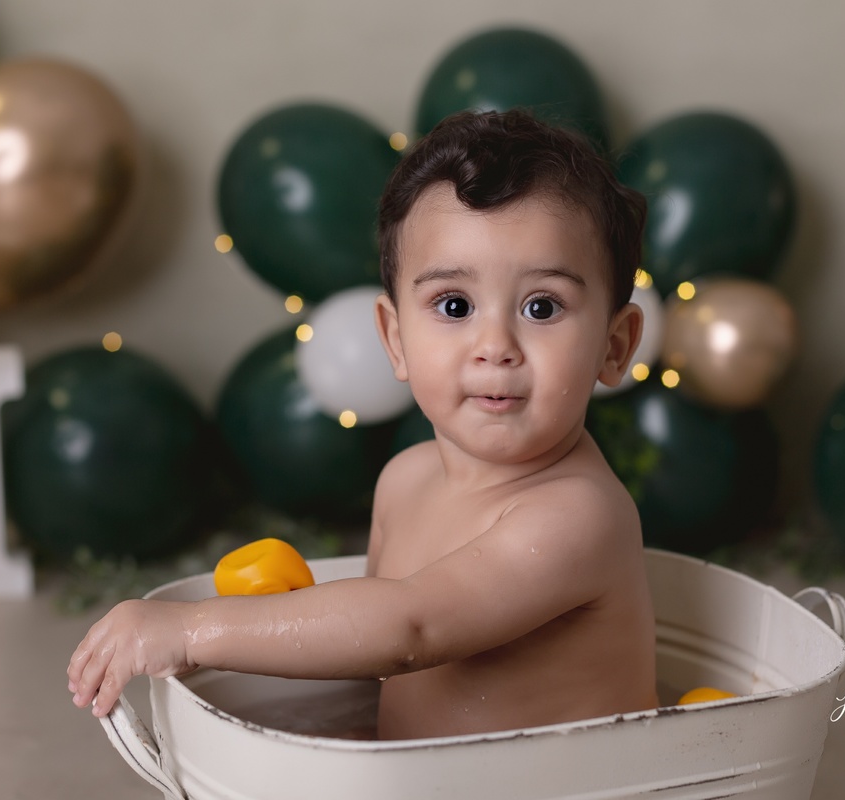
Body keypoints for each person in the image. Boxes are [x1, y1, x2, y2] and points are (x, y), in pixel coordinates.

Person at [68, 109, 658, 740]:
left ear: (614, 347)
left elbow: (411, 629)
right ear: (394, 339)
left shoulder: (576, 516)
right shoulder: (405, 481)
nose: (495, 345)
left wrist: (191, 631)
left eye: (542, 307)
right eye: (454, 305)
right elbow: (376, 654)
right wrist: (281, 624)